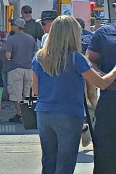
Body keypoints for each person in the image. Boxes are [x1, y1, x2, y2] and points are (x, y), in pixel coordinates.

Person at [34, 15, 116, 174]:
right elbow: (102, 83)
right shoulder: (75, 57)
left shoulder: (39, 57)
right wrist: (114, 71)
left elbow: (36, 90)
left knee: (49, 160)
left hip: (44, 113)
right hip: (69, 113)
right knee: (65, 161)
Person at [86, 16, 116, 173]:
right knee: (106, 149)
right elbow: (90, 60)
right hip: (111, 98)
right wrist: (103, 77)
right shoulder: (104, 33)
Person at [5, 17, 37, 123]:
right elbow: (35, 53)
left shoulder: (11, 39)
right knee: (26, 93)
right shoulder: (31, 38)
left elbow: (8, 55)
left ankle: (20, 114)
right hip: (28, 69)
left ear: (16, 26)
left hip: (15, 69)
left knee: (16, 94)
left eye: (12, 25)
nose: (11, 26)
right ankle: (27, 114)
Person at [76, 18, 98, 111]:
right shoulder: (91, 35)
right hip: (90, 66)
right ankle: (98, 112)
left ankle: (84, 113)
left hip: (76, 66)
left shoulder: (72, 36)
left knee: (80, 93)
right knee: (92, 93)